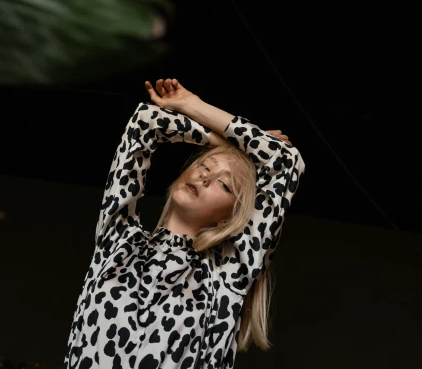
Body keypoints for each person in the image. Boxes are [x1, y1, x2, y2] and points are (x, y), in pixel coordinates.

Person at [63, 77, 305, 369]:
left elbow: (287, 162)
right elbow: (146, 122)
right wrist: (231, 147)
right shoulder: (118, 241)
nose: (205, 176)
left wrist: (193, 105)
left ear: (231, 216)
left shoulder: (226, 274)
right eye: (204, 165)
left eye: (225, 185)